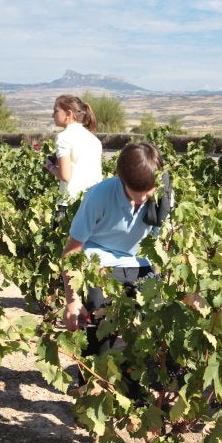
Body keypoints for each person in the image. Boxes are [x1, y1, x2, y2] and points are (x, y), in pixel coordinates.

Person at [61, 143, 170, 374]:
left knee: (149, 334)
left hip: (139, 263)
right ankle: (92, 385)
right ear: (121, 181)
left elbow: (157, 249)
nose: (140, 201)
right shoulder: (98, 196)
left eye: (147, 193)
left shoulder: (161, 196)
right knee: (100, 334)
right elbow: (71, 251)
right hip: (99, 264)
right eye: (134, 195)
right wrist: (72, 301)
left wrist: (162, 285)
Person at [46, 95, 103, 216]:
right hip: (95, 202)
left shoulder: (63, 137)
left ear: (68, 113)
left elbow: (66, 176)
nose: (53, 115)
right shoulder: (94, 139)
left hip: (70, 204)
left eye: (56, 111)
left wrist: (50, 167)